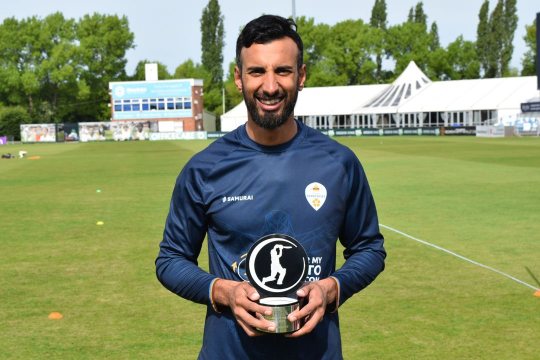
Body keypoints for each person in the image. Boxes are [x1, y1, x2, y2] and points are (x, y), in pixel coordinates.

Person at [155, 14, 386, 360]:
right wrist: (221, 291)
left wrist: (332, 288)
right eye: (257, 71)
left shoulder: (338, 163)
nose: (270, 86)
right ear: (238, 78)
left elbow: (369, 248)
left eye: (282, 70)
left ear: (301, 76)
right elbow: (170, 259)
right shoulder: (205, 169)